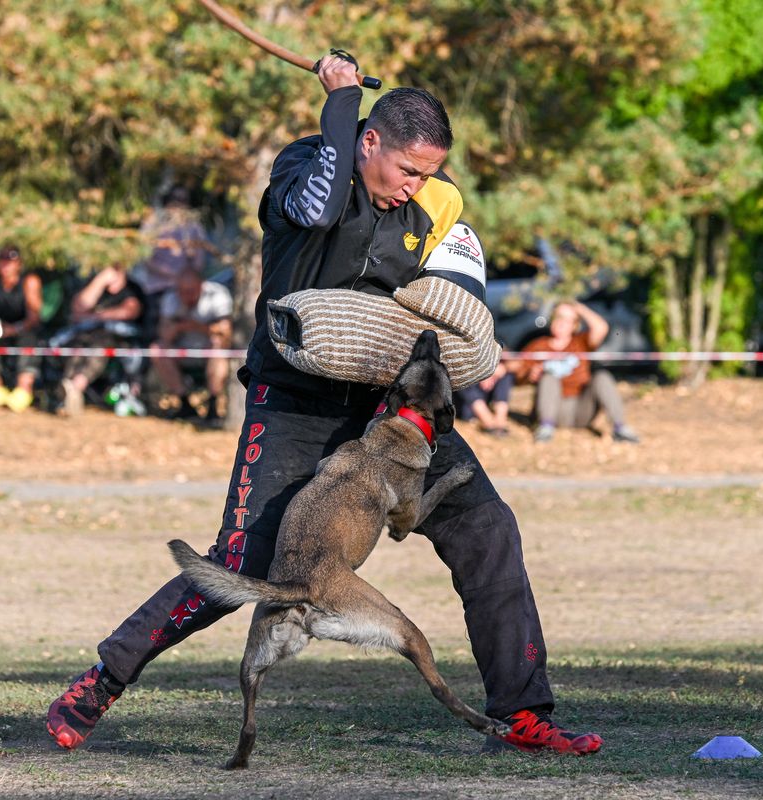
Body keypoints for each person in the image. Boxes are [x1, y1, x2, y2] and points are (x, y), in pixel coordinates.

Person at [46, 56, 602, 757]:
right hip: (295, 402)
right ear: (368, 141)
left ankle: (523, 714)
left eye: (429, 174)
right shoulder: (305, 165)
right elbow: (319, 206)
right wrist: (341, 101)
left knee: (488, 529)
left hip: (389, 412)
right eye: (408, 170)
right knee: (244, 559)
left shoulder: (433, 202)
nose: (416, 188)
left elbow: (460, 294)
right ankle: (102, 680)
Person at [513, 301, 640, 443]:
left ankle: (620, 428)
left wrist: (579, 308)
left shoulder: (581, 342)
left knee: (602, 377)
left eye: (568, 319)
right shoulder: (538, 345)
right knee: (549, 377)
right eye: (559, 317)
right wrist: (529, 376)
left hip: (582, 409)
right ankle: (545, 429)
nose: (561, 322)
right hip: (553, 408)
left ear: (575, 325)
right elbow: (517, 376)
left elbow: (601, 328)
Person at [52, 264, 146, 417]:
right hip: (87, 336)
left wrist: (96, 316)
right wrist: (100, 281)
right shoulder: (95, 284)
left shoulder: (132, 288)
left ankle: (75, 387)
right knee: (77, 348)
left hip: (117, 339)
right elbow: (79, 307)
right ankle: (69, 389)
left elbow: (131, 310)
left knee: (99, 348)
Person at [151, 266, 233, 424]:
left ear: (201, 285)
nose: (186, 296)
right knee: (157, 349)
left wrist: (198, 327)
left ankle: (213, 403)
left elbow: (225, 333)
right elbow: (164, 334)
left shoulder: (217, 294)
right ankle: (184, 403)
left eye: (191, 291)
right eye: (182, 291)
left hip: (209, 351)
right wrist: (179, 327)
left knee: (219, 347)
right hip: (182, 352)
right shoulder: (171, 298)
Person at [131, 184, 211, 337]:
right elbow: (145, 257)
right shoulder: (153, 224)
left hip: (186, 293)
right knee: (155, 335)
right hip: (158, 291)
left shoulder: (194, 227)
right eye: (174, 199)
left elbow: (199, 260)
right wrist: (173, 276)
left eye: (183, 200)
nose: (178, 204)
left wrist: (185, 280)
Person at [0, 244, 42, 412]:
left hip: (23, 328)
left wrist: (15, 329)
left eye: (10, 261)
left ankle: (23, 389)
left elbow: (34, 317)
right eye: (2, 261)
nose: (6, 265)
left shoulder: (30, 281)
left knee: (30, 339)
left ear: (18, 263)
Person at [454, 361, 514, 436]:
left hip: (483, 391)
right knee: (462, 374)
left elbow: (517, 360)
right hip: (463, 402)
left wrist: (502, 368)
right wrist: (483, 372)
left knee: (505, 374)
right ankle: (487, 420)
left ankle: (500, 420)